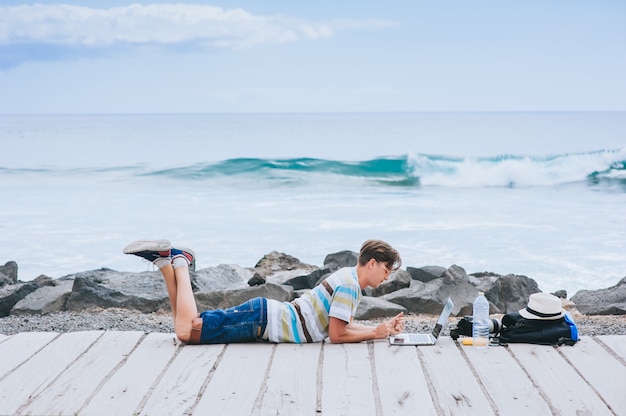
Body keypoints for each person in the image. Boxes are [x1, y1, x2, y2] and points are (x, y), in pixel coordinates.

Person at [123, 239, 405, 344]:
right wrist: (374, 334)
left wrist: (381, 329)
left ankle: (164, 264)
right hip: (263, 320)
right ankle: (181, 262)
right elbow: (337, 335)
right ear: (372, 263)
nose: (387, 276)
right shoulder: (349, 285)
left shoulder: (348, 279)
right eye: (386, 270)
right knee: (186, 332)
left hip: (264, 316)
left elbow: (343, 324)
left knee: (188, 324)